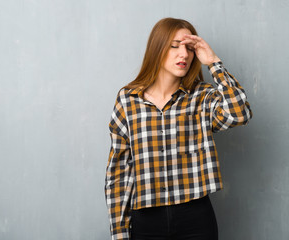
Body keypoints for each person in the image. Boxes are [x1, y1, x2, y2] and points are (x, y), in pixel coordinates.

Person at [105, 17, 253, 240]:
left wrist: (213, 62)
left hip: (196, 218)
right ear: (157, 48)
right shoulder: (128, 100)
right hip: (145, 220)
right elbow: (118, 171)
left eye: (189, 48)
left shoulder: (202, 97)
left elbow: (240, 113)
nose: (183, 54)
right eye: (174, 46)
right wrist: (119, 232)